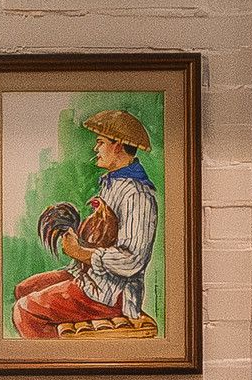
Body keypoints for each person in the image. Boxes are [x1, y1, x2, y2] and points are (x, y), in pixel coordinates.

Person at [10, 103, 162, 338]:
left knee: (25, 310)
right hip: (90, 276)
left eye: (101, 142)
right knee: (23, 289)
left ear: (118, 145)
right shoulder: (112, 183)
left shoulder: (136, 194)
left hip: (112, 291)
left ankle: (57, 362)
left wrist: (81, 253)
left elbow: (132, 259)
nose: (96, 147)